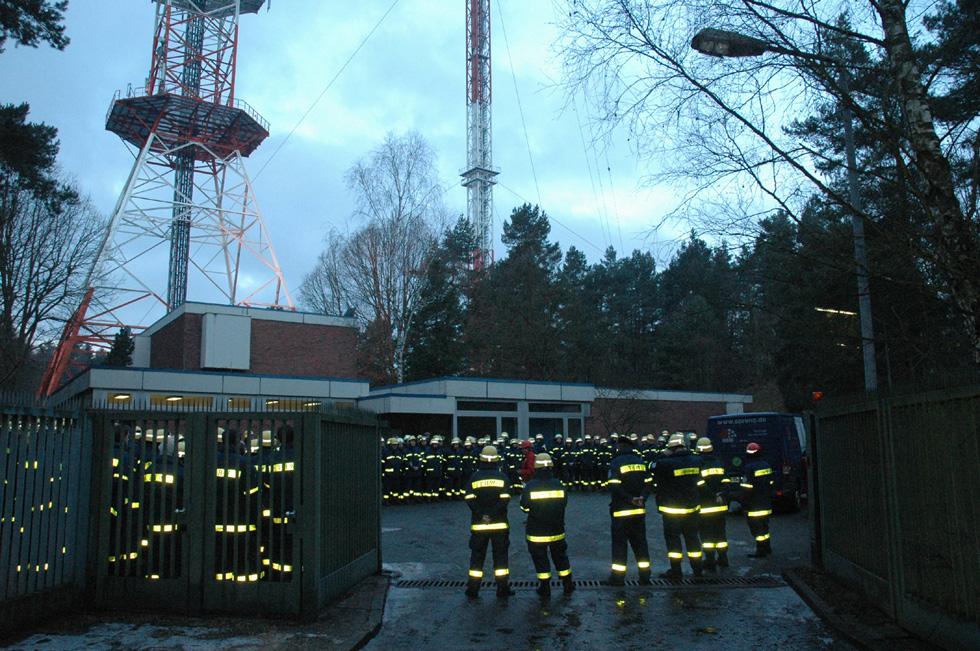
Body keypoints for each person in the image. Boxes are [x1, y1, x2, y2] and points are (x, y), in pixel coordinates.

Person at [520, 453, 574, 597]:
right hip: (557, 529)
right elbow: (564, 504)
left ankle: (545, 587)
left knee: (540, 558)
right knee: (561, 556)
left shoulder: (531, 486)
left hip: (537, 531)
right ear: (550, 466)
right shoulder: (559, 484)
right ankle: (568, 583)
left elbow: (524, 507)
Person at [463, 446, 515, 598]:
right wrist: (492, 514)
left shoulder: (474, 477)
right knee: (501, 559)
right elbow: (505, 499)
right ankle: (502, 589)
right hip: (499, 525)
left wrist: (482, 515)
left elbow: (469, 498)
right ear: (497, 459)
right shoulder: (502, 477)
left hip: (480, 525)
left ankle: (473, 589)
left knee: (477, 559)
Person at [654, 433, 703, 579]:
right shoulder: (697, 460)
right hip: (692, 508)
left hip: (672, 510)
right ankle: (698, 569)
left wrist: (663, 455)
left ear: (671, 448)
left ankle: (676, 570)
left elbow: (653, 466)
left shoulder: (666, 463)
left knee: (673, 541)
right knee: (693, 538)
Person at [604, 437, 653, 585]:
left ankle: (618, 578)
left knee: (620, 545)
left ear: (619, 447)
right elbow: (650, 483)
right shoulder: (640, 462)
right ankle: (645, 576)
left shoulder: (616, 462)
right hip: (638, 510)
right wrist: (642, 498)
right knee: (641, 543)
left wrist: (629, 498)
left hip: (621, 511)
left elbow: (614, 486)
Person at [696, 437, 731, 570]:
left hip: (705, 507)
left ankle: (710, 560)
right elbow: (727, 483)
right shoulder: (719, 463)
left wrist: (712, 496)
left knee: (706, 535)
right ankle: (723, 558)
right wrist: (720, 494)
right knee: (721, 533)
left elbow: (699, 484)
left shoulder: (699, 465)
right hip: (721, 506)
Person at [740, 442, 774, 557]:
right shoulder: (766, 465)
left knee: (757, 530)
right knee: (764, 527)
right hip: (766, 502)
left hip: (754, 505)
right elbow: (770, 483)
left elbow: (747, 488)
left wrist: (744, 504)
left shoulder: (749, 468)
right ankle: (767, 547)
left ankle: (761, 550)